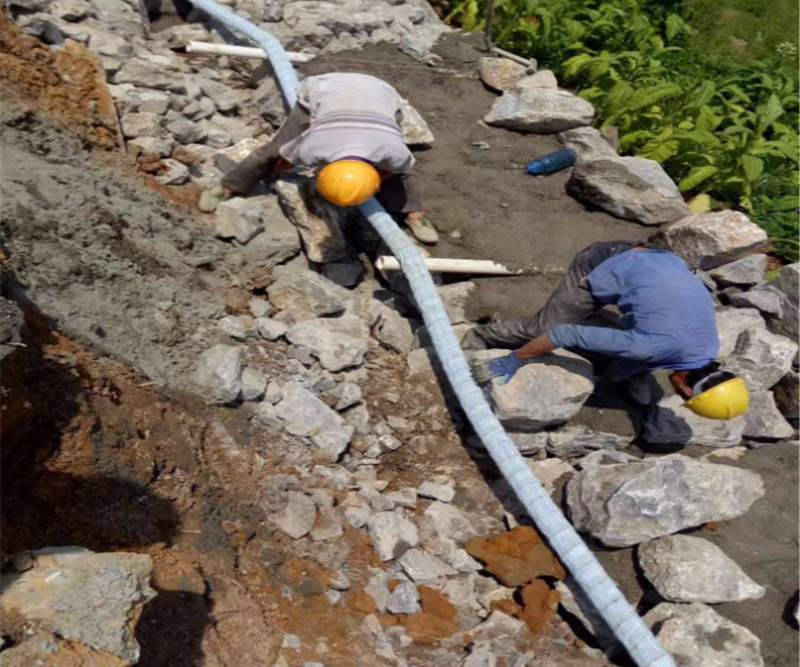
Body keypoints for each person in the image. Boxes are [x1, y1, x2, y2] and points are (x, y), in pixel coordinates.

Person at [466, 240, 749, 419]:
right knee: (547, 327)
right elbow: (564, 335)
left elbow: (656, 345)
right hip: (604, 260)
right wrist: (518, 358)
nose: (679, 395)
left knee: (637, 349)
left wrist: (615, 376)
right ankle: (478, 335)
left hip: (653, 260)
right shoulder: (651, 347)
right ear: (687, 387)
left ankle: (619, 371)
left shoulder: (708, 348)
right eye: (685, 397)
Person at [199, 72, 438, 244]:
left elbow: (401, 170)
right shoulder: (313, 146)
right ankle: (228, 187)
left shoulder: (393, 151)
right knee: (272, 151)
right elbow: (284, 157)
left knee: (402, 174)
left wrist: (379, 177)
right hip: (324, 88)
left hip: (380, 91)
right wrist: (274, 175)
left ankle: (414, 214)